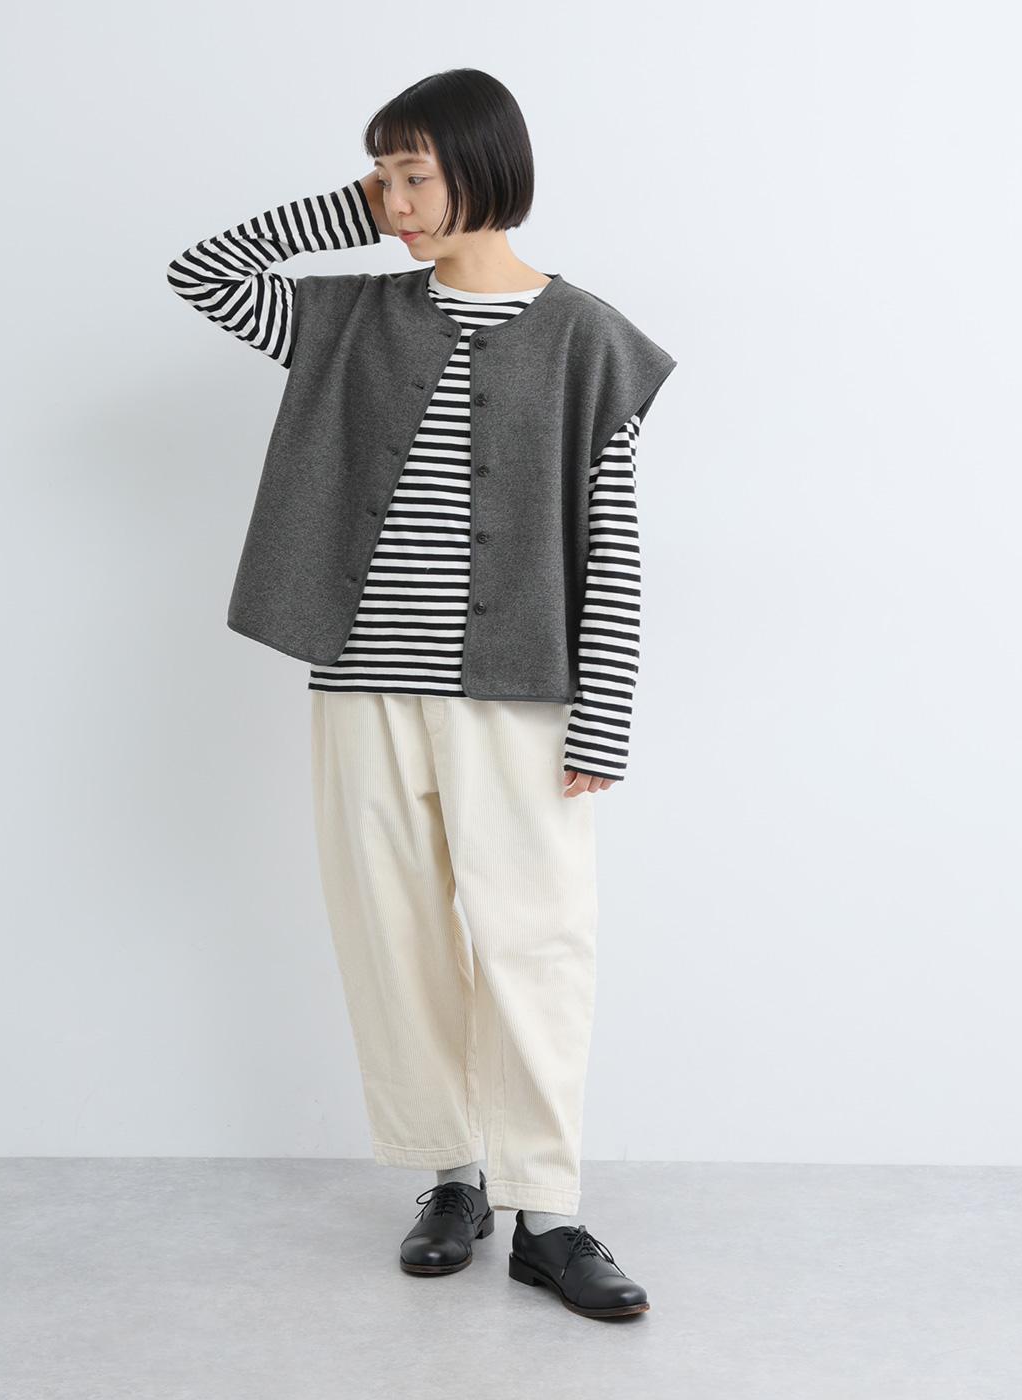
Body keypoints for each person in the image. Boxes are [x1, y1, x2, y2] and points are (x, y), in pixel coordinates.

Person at [166, 68, 676, 1321]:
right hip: (363, 687)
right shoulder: (348, 317)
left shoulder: (590, 338)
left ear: (486, 169)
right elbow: (204, 272)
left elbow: (612, 537)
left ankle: (548, 1210)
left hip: (523, 696)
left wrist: (605, 707)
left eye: (415, 175)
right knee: (392, 935)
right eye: (380, 176)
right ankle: (453, 1177)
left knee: (538, 939)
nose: (393, 202)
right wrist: (356, 206)